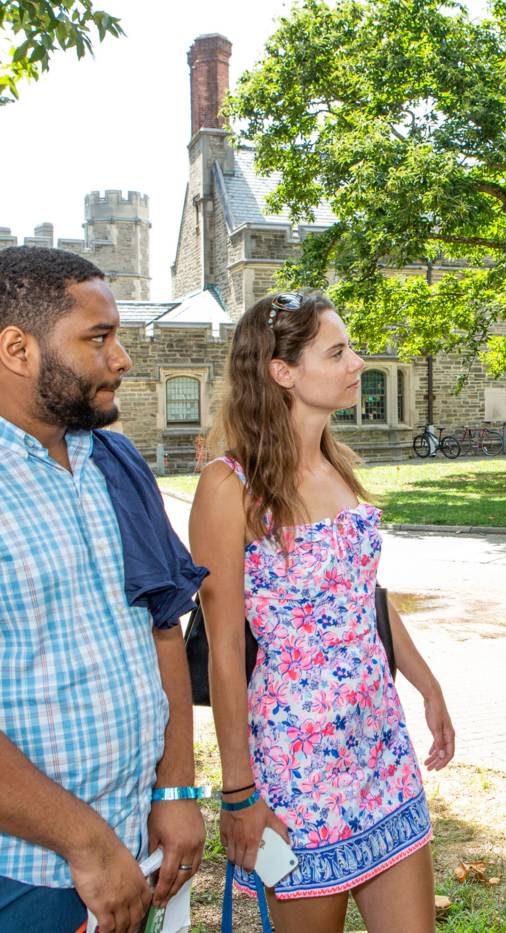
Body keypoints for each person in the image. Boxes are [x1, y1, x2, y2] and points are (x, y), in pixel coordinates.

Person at [189, 291, 455, 932]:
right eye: (337, 352)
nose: (357, 362)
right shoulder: (230, 488)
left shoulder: (338, 462)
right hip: (296, 764)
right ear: (282, 372)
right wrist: (239, 791)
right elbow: (224, 648)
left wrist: (427, 686)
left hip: (380, 748)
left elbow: (365, 600)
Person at [0, 247, 205, 933]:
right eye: (98, 338)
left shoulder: (114, 458)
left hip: (132, 844)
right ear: (17, 348)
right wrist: (83, 842)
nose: (122, 358)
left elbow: (163, 626)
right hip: (23, 875)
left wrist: (175, 789)